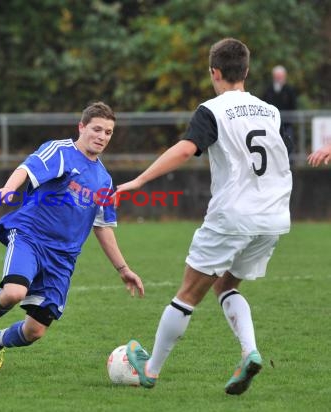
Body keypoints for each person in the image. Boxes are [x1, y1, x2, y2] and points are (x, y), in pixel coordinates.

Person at [117, 38, 292, 395]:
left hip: (233, 216)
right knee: (225, 285)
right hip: (273, 216)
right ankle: (250, 351)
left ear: (214, 72)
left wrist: (138, 180)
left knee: (186, 295)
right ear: (246, 71)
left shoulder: (211, 110)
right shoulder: (269, 110)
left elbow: (185, 149)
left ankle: (150, 370)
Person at [0, 102, 144, 371]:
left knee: (35, 332)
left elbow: (102, 227)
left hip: (63, 258)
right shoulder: (61, 151)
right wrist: (9, 188)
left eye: (109, 132)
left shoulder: (104, 180)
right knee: (14, 293)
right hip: (31, 237)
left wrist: (123, 269)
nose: (102, 136)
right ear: (82, 127)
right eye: (97, 129)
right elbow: (27, 168)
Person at [262, 65, 297, 145]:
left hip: (286, 125)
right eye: (276, 76)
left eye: (280, 76)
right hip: (271, 125)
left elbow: (293, 106)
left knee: (287, 146)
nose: (278, 78)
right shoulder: (268, 90)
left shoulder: (289, 90)